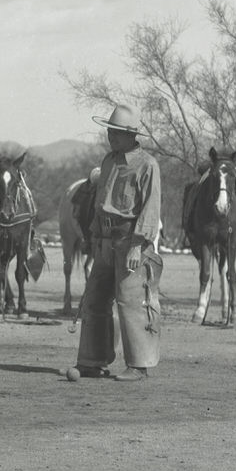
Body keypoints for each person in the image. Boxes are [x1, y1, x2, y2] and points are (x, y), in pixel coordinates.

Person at [75, 105, 163, 381]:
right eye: (110, 130)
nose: (111, 135)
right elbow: (101, 203)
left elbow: (150, 208)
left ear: (131, 135)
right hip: (103, 241)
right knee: (95, 300)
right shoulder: (108, 161)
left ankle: (139, 365)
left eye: (117, 132)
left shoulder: (148, 165)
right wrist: (92, 236)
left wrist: (138, 244)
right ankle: (92, 360)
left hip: (130, 242)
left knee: (131, 302)